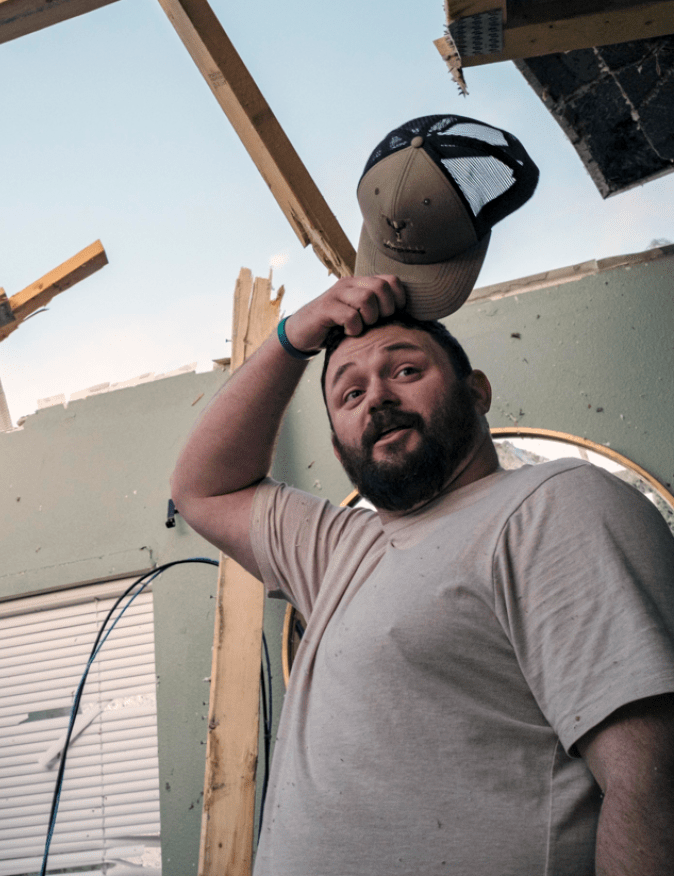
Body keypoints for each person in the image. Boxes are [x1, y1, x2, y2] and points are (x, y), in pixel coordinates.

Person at [171, 115, 674, 875]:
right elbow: (201, 487)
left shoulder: (552, 505)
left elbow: (653, 784)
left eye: (405, 371)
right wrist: (291, 338)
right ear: (337, 437)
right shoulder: (338, 552)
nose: (375, 397)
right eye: (347, 392)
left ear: (475, 392)